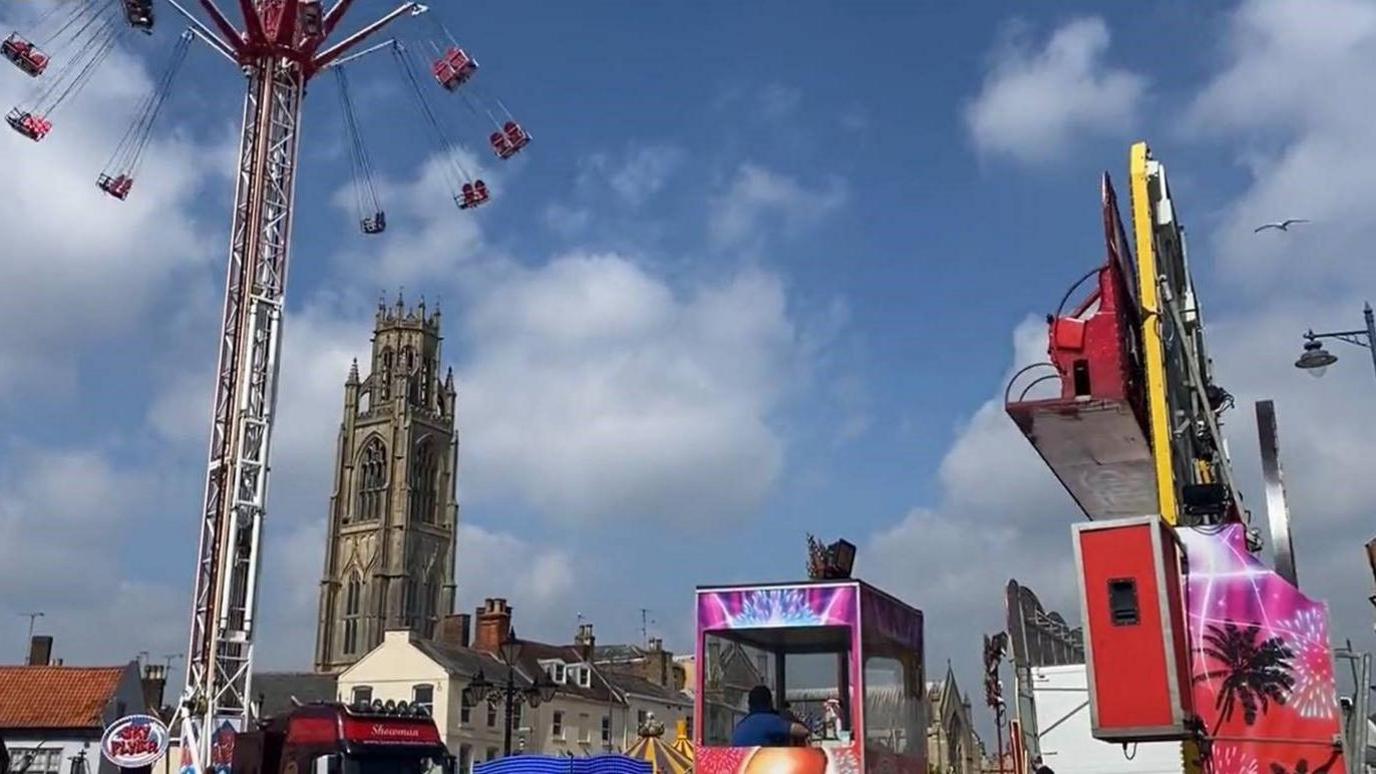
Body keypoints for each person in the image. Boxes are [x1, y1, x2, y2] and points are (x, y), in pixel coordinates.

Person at [731, 685, 810, 747]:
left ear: (749, 705)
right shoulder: (771, 721)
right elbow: (803, 731)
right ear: (770, 702)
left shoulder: (740, 726)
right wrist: (788, 718)